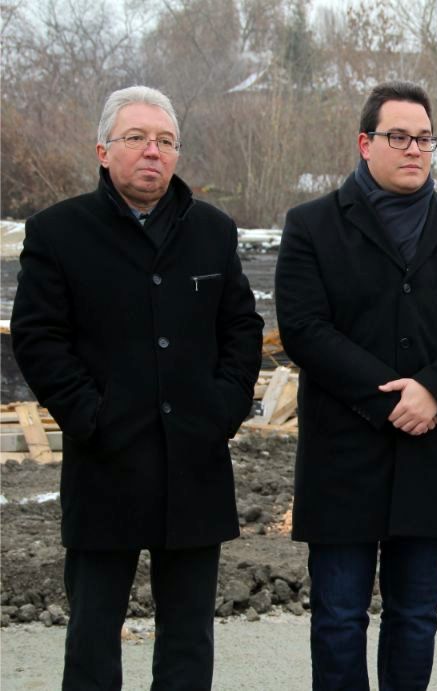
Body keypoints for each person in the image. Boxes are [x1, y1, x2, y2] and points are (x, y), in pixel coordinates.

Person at [11, 85, 264, 689]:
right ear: (103, 151)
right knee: (93, 636)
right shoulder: (58, 232)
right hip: (106, 464)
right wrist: (91, 416)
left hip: (195, 464)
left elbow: (241, 329)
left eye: (165, 141)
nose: (153, 151)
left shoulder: (212, 231)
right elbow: (39, 338)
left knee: (189, 640)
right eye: (137, 138)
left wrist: (223, 409)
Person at [274, 80, 437, 690]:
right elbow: (303, 328)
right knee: (339, 619)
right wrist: (392, 396)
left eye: (425, 138)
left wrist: (433, 390)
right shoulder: (312, 225)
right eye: (398, 137)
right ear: (364, 143)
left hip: (432, 448)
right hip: (342, 453)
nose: (414, 149)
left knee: (415, 619)